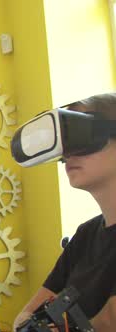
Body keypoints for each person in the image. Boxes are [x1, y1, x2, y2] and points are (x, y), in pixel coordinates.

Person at [11, 92, 116, 331]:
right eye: (67, 142)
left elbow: (110, 322)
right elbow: (25, 317)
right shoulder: (85, 235)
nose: (69, 153)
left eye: (83, 136)